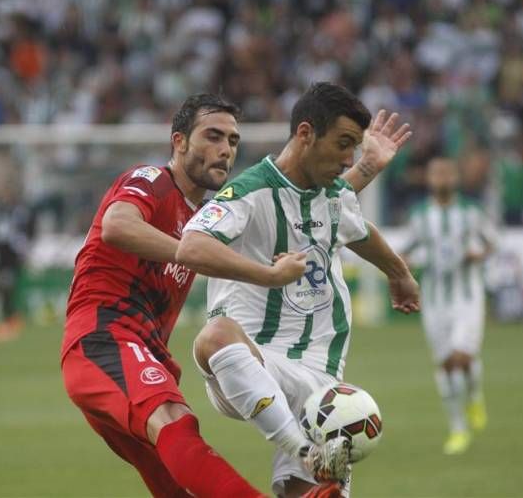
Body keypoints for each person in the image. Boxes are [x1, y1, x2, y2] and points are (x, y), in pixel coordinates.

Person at [61, 92, 397, 498]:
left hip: (148, 351)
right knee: (175, 421)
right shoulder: (152, 181)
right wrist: (196, 250)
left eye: (232, 142)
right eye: (212, 137)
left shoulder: (210, 213)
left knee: (178, 483)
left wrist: (365, 168)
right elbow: (117, 225)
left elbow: (310, 204)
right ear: (179, 141)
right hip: (104, 337)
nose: (224, 150)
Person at [176, 83, 419, 498]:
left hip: (322, 380)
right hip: (253, 360)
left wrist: (399, 273)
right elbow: (190, 246)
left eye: (355, 148)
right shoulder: (249, 192)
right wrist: (268, 275)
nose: (349, 159)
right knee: (214, 334)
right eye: (344, 144)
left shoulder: (333, 195)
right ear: (306, 134)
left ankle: (309, 460)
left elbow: (357, 228)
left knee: (308, 495)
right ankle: (303, 449)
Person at [400, 157, 497, 455]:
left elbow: (492, 243)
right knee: (445, 364)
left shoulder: (471, 212)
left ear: (455, 177)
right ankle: (458, 427)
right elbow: (407, 252)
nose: (441, 178)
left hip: (467, 297)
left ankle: (473, 401)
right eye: (436, 173)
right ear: (429, 178)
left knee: (460, 357)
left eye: (446, 173)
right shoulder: (419, 215)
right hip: (434, 300)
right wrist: (411, 264)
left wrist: (476, 254)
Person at [0, 181, 35, 342]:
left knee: (9, 286)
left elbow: (30, 228)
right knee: (0, 286)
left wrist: (24, 243)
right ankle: (9, 319)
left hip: (14, 255)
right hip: (1, 254)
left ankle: (10, 320)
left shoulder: (21, 211)